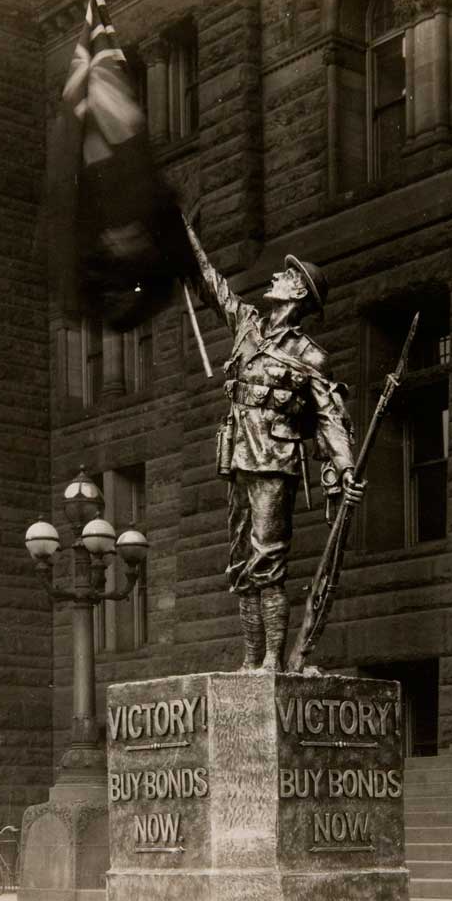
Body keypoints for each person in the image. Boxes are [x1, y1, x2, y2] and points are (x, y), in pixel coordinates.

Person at [186, 224, 365, 671]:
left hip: (274, 462)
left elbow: (329, 416)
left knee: (268, 561)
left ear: (299, 292)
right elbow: (211, 283)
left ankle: (271, 662)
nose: (275, 279)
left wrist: (345, 468)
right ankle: (249, 661)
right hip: (237, 459)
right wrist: (183, 241)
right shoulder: (247, 325)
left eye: (285, 277)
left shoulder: (310, 356)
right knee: (241, 564)